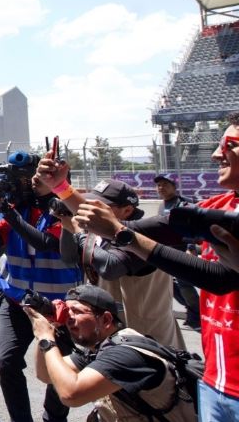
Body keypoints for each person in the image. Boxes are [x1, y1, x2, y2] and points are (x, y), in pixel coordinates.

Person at [36, 113, 239, 419]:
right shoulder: (216, 207)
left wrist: (117, 233)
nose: (215, 153)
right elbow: (134, 230)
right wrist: (63, 189)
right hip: (215, 381)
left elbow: (219, 279)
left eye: (229, 144)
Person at [0, 156, 80, 422]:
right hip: (16, 300)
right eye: (30, 178)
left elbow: (47, 242)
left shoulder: (65, 210)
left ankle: (54, 418)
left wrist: (9, 212)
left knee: (57, 370)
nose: (32, 182)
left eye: (37, 177)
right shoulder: (16, 208)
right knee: (7, 362)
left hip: (57, 306)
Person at [25, 285, 197, 421]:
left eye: (76, 311)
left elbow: (71, 395)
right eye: (67, 311)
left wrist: (47, 338)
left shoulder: (125, 355)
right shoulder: (96, 351)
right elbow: (46, 375)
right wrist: (47, 328)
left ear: (106, 320)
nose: (69, 319)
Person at [58, 180, 184, 350]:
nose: (92, 209)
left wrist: (79, 233)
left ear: (127, 210)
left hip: (147, 338)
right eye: (90, 203)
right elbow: (69, 259)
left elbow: (111, 268)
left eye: (101, 206)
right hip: (111, 336)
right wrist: (67, 226)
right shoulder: (100, 232)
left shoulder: (142, 237)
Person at [154, 174, 201, 331]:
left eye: (165, 184)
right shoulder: (163, 205)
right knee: (171, 286)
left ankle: (197, 314)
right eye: (159, 185)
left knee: (185, 284)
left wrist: (191, 247)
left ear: (174, 187)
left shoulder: (184, 203)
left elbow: (192, 227)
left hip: (181, 248)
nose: (161, 188)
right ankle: (192, 310)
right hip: (167, 250)